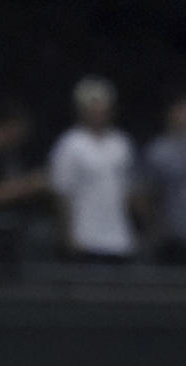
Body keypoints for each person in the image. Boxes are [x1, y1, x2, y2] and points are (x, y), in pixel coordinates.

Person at [49, 76, 137, 262]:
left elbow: (128, 192)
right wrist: (68, 235)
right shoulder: (70, 144)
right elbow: (62, 193)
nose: (98, 111)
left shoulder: (121, 143)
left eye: (102, 105)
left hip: (119, 239)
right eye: (92, 105)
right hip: (85, 238)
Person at [142, 95, 186, 265]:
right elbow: (149, 192)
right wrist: (153, 226)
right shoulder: (159, 150)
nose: (184, 118)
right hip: (172, 230)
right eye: (179, 113)